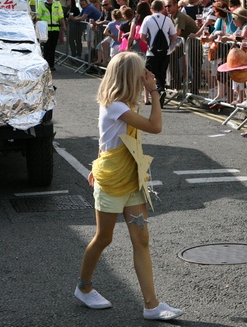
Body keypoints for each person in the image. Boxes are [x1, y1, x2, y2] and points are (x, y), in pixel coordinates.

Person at [75, 52, 183, 321]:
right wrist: (154, 91)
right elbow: (155, 127)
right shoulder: (116, 107)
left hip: (131, 178)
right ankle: (84, 287)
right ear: (129, 77)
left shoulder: (122, 105)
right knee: (104, 238)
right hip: (112, 182)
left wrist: (96, 163)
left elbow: (107, 139)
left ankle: (151, 305)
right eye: (141, 73)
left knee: (141, 239)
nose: (145, 77)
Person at [140, 0, 177, 107]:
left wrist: (149, 45)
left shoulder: (148, 19)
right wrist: (169, 46)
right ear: (163, 8)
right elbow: (174, 36)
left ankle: (160, 91)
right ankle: (161, 93)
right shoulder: (168, 19)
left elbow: (142, 36)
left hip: (152, 52)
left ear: (151, 9)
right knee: (162, 74)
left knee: (150, 74)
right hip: (165, 52)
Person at [36, 0, 66, 71]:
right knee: (46, 47)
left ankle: (51, 65)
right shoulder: (41, 4)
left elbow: (61, 16)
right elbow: (38, 17)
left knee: (53, 47)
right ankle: (46, 65)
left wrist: (64, 25)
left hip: (55, 29)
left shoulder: (57, 3)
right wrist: (37, 27)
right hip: (45, 29)